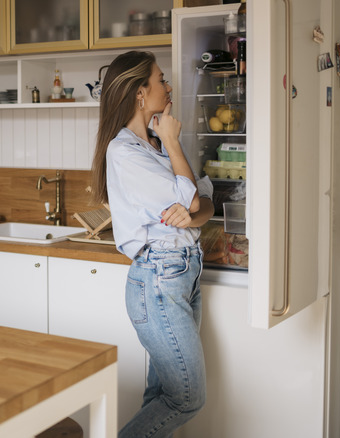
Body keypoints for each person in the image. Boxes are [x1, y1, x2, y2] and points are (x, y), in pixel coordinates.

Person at [91, 51, 214, 437]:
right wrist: (175, 142)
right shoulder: (124, 151)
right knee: (186, 397)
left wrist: (193, 211)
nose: (169, 86)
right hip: (159, 278)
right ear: (141, 93)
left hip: (183, 272)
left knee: (161, 395)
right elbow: (194, 200)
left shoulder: (156, 147)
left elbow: (204, 203)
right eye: (162, 79)